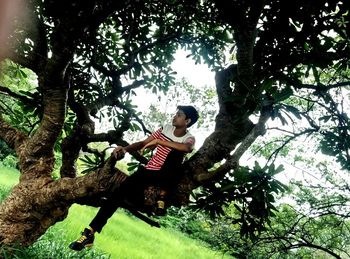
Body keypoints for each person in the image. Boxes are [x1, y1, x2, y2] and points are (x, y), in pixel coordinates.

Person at [69, 105, 199, 251]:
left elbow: (187, 148)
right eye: (176, 114)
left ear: (187, 121)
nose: (175, 116)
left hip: (166, 175)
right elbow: (143, 143)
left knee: (176, 154)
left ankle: (162, 196)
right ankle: (90, 233)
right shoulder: (166, 128)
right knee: (117, 195)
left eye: (179, 115)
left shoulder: (189, 138)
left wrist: (159, 142)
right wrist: (124, 149)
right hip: (148, 172)